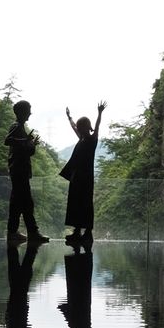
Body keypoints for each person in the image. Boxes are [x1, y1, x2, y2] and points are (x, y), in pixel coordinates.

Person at [59, 100, 106, 245]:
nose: (78, 129)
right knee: (75, 203)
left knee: (85, 203)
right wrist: (69, 117)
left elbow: (97, 127)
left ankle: (87, 232)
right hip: (77, 177)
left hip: (85, 178)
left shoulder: (92, 140)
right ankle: (77, 231)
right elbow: (74, 126)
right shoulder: (82, 139)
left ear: (86, 127)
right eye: (78, 127)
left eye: (80, 127)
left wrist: (99, 113)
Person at [5, 99, 50, 244]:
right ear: (22, 112)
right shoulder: (16, 126)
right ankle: (32, 232)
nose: (30, 113)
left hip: (19, 170)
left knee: (18, 203)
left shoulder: (20, 127)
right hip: (19, 170)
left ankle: (14, 232)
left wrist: (30, 143)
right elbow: (8, 140)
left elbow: (26, 151)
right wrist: (26, 140)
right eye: (28, 110)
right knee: (26, 203)